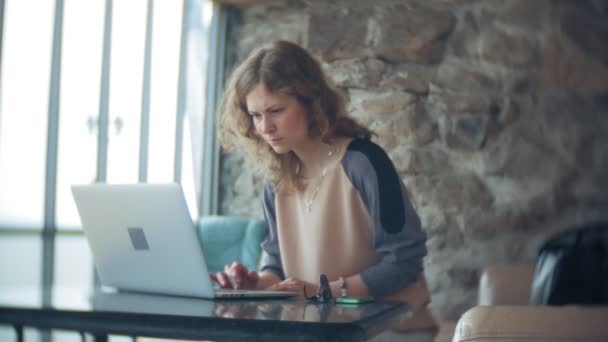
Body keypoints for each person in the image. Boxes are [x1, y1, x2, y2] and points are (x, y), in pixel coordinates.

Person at [216, 40, 436, 340]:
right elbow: (277, 268)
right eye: (255, 115)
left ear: (311, 101)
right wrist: (253, 284)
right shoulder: (276, 180)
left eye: (276, 110)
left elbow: (404, 262)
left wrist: (322, 292)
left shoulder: (364, 162)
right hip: (321, 333)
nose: (265, 127)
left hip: (388, 329)